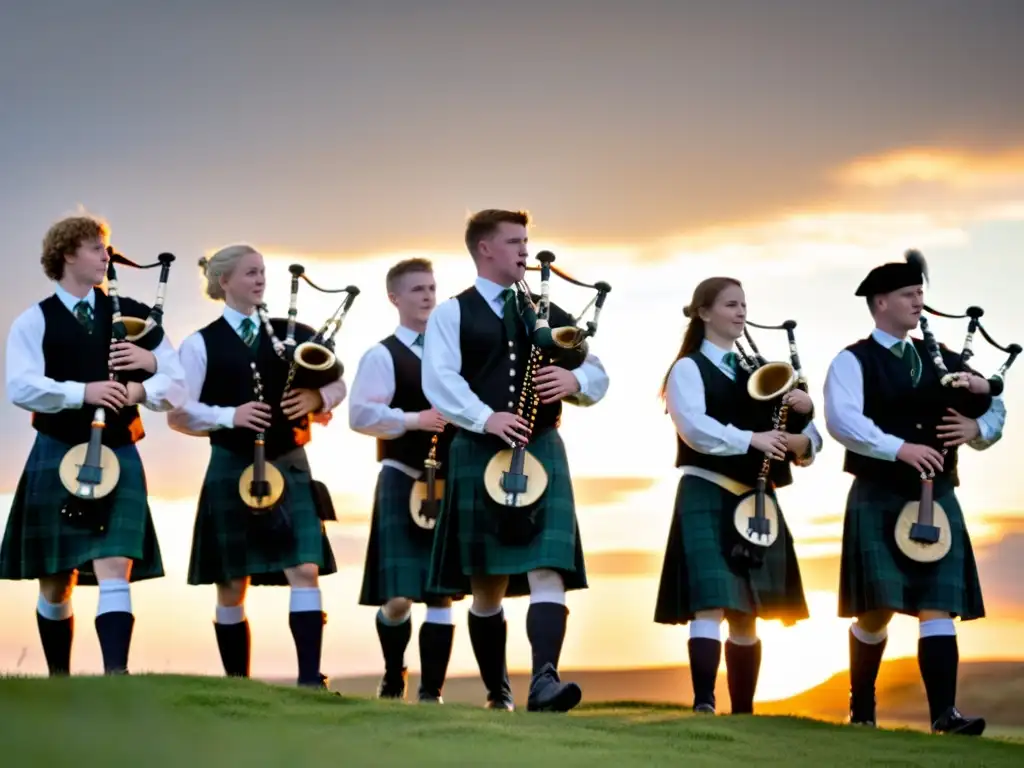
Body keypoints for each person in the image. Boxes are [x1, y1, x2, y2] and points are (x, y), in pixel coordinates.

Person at [420, 208, 609, 713]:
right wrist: (486, 419)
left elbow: (597, 370)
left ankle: (544, 680)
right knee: (487, 583)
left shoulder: (546, 312)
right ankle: (497, 689)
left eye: (527, 240)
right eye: (514, 241)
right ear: (485, 248)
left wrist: (577, 382)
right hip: (477, 448)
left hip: (542, 446)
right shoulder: (451, 313)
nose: (525, 249)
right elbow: (439, 380)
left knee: (549, 564)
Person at [823, 250, 1004, 736]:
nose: (918, 303)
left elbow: (995, 402)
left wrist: (977, 426)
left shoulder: (940, 355)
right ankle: (862, 708)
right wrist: (899, 448)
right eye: (908, 295)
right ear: (880, 302)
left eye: (921, 294)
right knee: (876, 607)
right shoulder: (852, 360)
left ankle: (945, 715)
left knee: (936, 600)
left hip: (939, 493)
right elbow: (843, 422)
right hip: (880, 491)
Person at [0, 214, 186, 676]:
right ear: (67, 254)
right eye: (96, 248)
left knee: (114, 562)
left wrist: (143, 382)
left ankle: (115, 677)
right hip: (58, 447)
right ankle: (60, 679)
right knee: (56, 579)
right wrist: (82, 392)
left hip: (119, 448)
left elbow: (178, 383)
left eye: (107, 248)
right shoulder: (34, 320)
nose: (107, 256)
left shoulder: (135, 318)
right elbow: (20, 387)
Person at [167, 244, 346, 689]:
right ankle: (237, 684)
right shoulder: (199, 344)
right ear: (224, 281)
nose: (260, 279)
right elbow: (178, 412)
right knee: (231, 580)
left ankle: (310, 680)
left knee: (304, 568)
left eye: (262, 271)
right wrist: (230, 416)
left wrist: (318, 398)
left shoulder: (293, 331)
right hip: (231, 462)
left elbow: (338, 379)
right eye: (250, 273)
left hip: (290, 462)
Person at [653, 276, 820, 715]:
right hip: (706, 490)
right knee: (709, 603)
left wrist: (803, 423)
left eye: (744, 304)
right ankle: (705, 702)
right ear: (704, 313)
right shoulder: (687, 368)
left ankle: (744, 711)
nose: (741, 312)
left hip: (756, 499)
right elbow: (694, 428)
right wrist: (752, 439)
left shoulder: (760, 371)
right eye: (731, 304)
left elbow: (806, 441)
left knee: (748, 609)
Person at [349, 257, 460, 703]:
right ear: (395, 298)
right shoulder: (382, 355)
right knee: (398, 597)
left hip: (449, 480)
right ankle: (395, 673)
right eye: (417, 289)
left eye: (432, 288)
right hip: (402, 476)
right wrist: (416, 420)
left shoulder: (455, 352)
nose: (428, 296)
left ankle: (432, 693)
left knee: (442, 595)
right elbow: (360, 415)